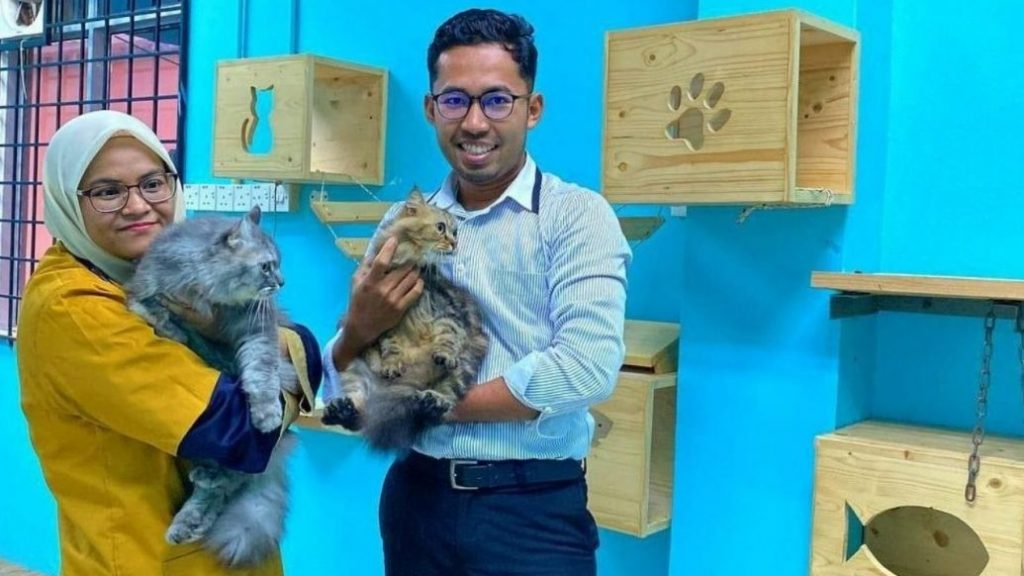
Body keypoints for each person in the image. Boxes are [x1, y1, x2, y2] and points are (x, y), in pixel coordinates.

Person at [322, 9, 631, 575]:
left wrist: (425, 406)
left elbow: (585, 368)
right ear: (431, 108)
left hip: (532, 512)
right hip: (416, 501)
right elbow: (351, 371)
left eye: (496, 100)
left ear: (532, 109)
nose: (473, 122)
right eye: (454, 100)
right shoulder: (403, 221)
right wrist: (356, 331)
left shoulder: (576, 216)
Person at [16, 110, 321, 575]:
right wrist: (309, 350)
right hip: (147, 561)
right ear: (66, 200)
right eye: (107, 192)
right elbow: (240, 432)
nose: (138, 205)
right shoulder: (73, 306)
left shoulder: (159, 269)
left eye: (153, 183)